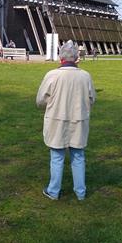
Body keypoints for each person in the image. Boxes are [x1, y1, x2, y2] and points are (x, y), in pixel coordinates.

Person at [36, 40, 96, 201]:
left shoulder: (52, 75)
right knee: (78, 156)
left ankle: (54, 191)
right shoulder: (85, 76)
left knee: (57, 157)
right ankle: (80, 192)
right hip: (78, 120)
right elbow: (92, 99)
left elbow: (40, 100)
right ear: (76, 57)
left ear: (61, 57)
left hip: (57, 121)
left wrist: (53, 104)